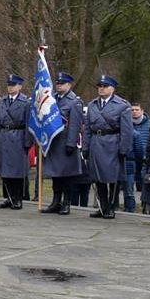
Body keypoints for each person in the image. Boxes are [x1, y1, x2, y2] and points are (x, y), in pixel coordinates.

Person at [84, 76, 133, 219]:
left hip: (113, 143)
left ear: (112, 88)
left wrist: (124, 149)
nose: (101, 88)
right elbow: (87, 128)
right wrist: (85, 148)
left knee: (113, 178)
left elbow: (127, 130)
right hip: (96, 142)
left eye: (105, 86)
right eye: (99, 86)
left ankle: (111, 207)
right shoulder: (92, 105)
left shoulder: (122, 105)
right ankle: (102, 206)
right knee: (98, 177)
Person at [40, 72, 85, 215]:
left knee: (67, 175)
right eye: (58, 83)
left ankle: (66, 203)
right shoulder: (51, 99)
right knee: (55, 175)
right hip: (53, 141)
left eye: (62, 83)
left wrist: (71, 143)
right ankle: (55, 201)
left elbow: (75, 124)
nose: (59, 86)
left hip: (66, 141)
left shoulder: (74, 101)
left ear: (69, 85)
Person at [0, 76, 33, 209]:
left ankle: (18, 198)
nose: (10, 87)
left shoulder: (26, 102)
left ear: (20, 86)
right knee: (5, 170)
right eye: (9, 85)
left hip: (18, 137)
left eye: (14, 85)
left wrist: (28, 142)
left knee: (17, 171)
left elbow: (29, 123)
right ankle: (8, 197)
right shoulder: (2, 102)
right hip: (4, 137)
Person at [127, 102, 149, 213]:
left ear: (142, 111)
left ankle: (146, 208)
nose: (134, 112)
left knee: (145, 186)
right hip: (130, 160)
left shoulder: (149, 124)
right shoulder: (126, 125)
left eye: (137, 109)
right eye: (132, 110)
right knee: (128, 187)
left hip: (145, 160)